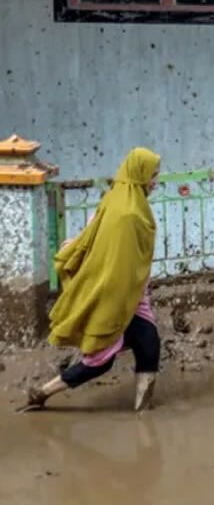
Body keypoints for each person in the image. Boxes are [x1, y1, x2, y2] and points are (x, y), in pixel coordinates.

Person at [20, 147, 162, 413]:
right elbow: (112, 257)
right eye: (152, 176)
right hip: (116, 296)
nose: (155, 182)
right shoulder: (127, 214)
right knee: (100, 360)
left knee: (149, 346)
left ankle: (143, 413)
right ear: (139, 174)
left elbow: (94, 237)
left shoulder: (119, 202)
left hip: (133, 296)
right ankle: (41, 393)